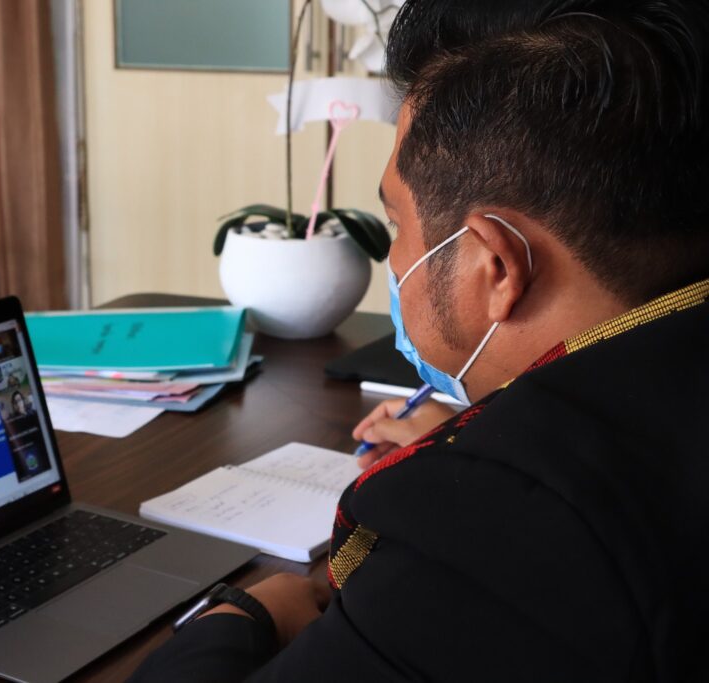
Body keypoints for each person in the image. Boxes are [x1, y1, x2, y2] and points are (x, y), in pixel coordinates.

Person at [129, 1, 709, 681]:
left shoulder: (495, 532)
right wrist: (491, 438)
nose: (395, 257)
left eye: (396, 222)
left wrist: (245, 612)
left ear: (495, 266)